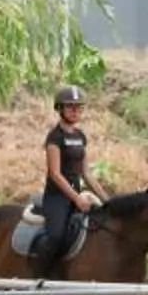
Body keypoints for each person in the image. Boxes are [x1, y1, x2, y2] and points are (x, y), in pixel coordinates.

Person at [32, 84, 104, 272]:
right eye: (70, 106)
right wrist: (76, 198)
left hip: (78, 194)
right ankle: (41, 275)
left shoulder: (80, 136)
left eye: (79, 107)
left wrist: (106, 199)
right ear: (60, 109)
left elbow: (86, 173)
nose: (75, 111)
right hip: (57, 197)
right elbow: (55, 174)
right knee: (56, 235)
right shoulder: (55, 137)